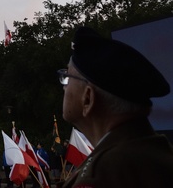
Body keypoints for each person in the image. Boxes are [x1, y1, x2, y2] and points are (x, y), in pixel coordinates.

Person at [60, 27, 173, 187]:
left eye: (67, 77)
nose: (64, 87)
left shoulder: (103, 175)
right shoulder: (155, 155)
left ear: (88, 98)